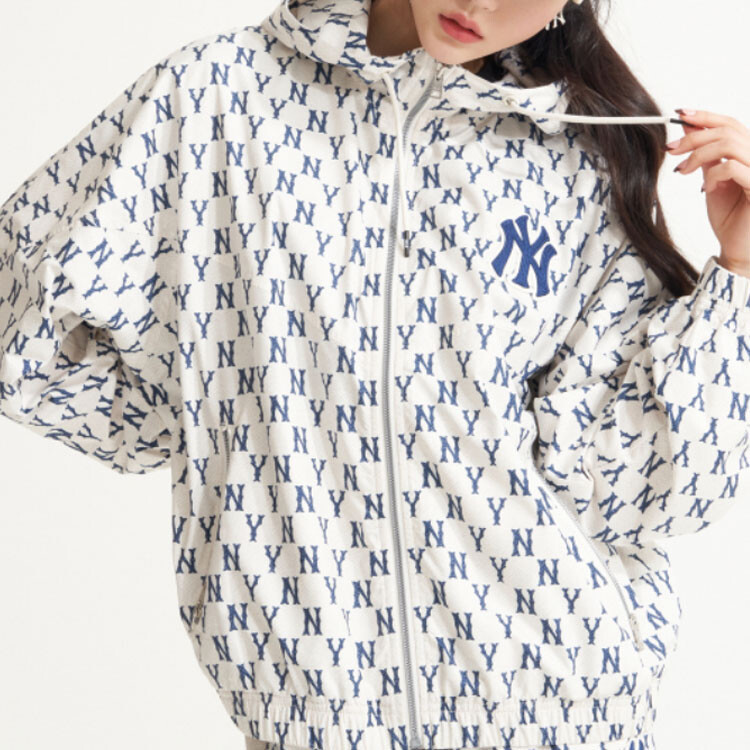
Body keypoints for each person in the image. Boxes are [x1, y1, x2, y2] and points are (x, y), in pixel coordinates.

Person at [2, 0, 749, 748]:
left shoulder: (577, 154)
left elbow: (648, 486)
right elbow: (27, 314)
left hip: (563, 707)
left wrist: (741, 273)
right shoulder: (216, 96)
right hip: (317, 715)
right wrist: (211, 428)